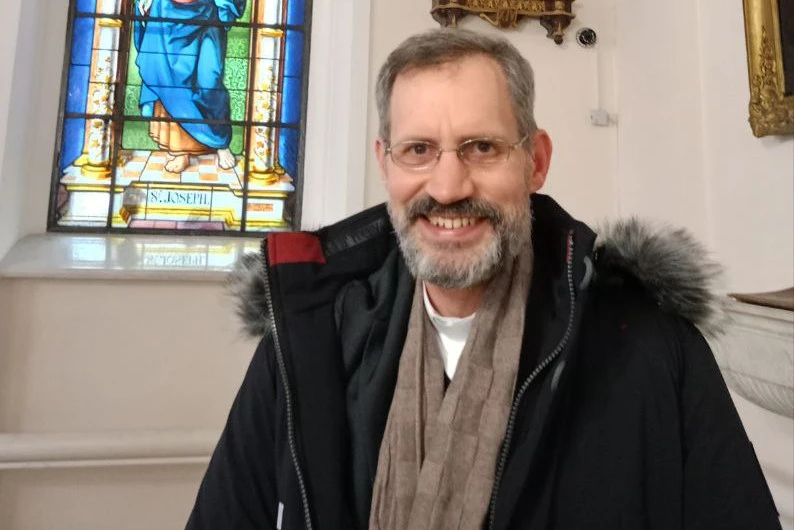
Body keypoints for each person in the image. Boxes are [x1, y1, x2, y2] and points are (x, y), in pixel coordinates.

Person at [185, 29, 782, 529]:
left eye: (482, 147)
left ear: (536, 161)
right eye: (418, 150)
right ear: (385, 163)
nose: (448, 187)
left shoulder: (654, 348)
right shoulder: (305, 341)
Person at [134, 0, 245, 173]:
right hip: (168, 12)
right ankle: (180, 150)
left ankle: (220, 141)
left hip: (210, 12)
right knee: (170, 78)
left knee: (210, 82)